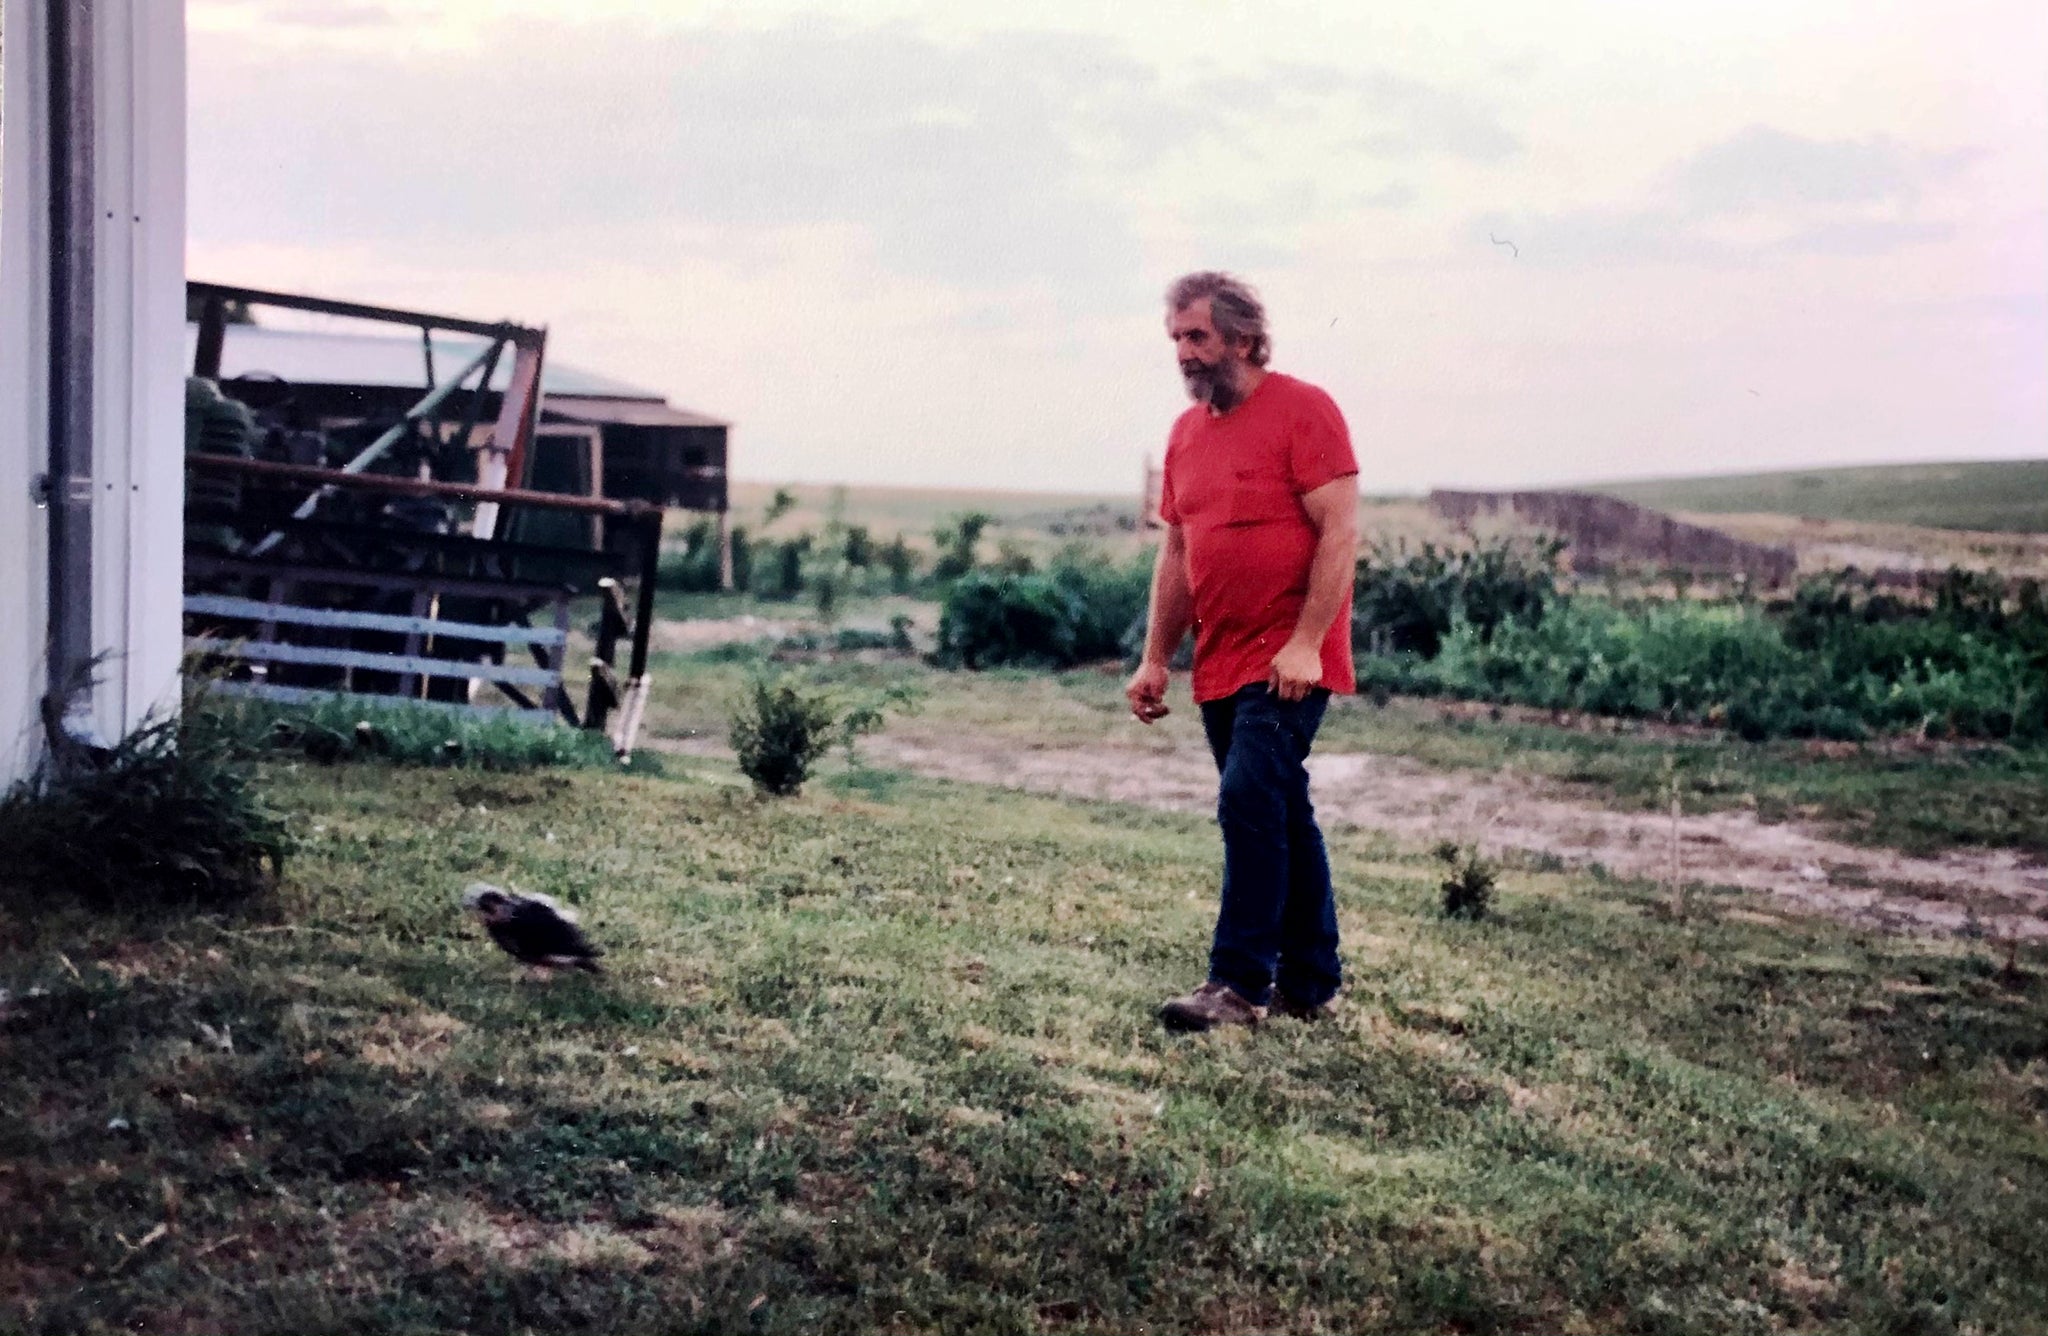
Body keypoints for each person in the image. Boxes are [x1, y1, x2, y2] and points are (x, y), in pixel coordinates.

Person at [1126, 272, 1360, 1032]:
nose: (1184, 353)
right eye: (1177, 340)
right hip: (1221, 660)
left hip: (1288, 659)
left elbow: (1340, 534)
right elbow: (1178, 552)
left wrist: (1304, 645)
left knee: (1249, 797)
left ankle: (1238, 984)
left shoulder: (1304, 410)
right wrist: (1157, 656)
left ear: (1244, 339)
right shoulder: (1185, 435)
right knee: (1279, 804)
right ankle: (1312, 983)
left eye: (1197, 337)